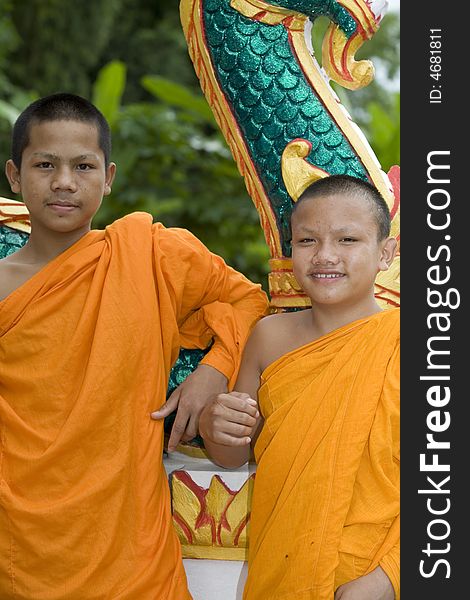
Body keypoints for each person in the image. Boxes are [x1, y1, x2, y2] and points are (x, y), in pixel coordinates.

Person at [0, 93, 268, 599]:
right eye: (44, 164)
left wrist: (214, 369)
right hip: (21, 544)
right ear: (15, 176)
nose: (63, 181)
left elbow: (249, 300)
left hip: (131, 551)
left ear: (108, 178)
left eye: (83, 165)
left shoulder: (149, 255)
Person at [199, 174, 400, 599]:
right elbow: (234, 454)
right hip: (283, 569)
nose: (325, 256)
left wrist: (389, 578)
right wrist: (218, 427)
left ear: (386, 253)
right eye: (307, 241)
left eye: (347, 240)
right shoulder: (269, 337)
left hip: (373, 574)